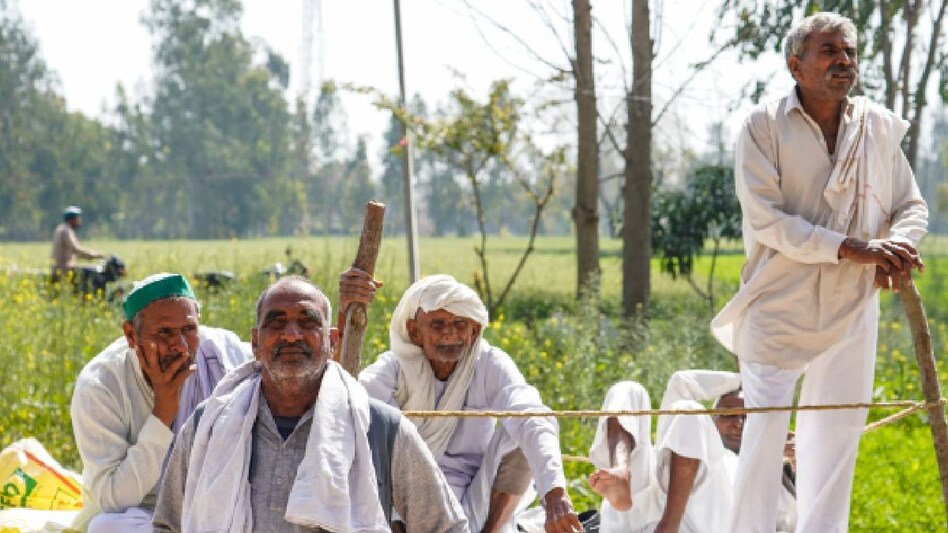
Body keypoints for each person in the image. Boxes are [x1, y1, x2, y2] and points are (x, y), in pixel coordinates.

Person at [709, 12, 928, 532]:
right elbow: (767, 220)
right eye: (829, 51)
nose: (843, 61)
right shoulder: (763, 125)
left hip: (852, 303)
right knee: (762, 441)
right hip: (777, 301)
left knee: (835, 435)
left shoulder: (875, 126)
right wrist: (853, 248)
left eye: (849, 52)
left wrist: (896, 247)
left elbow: (911, 205)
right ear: (795, 65)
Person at [152, 275, 468, 532]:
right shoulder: (209, 425)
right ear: (256, 342)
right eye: (276, 323)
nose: (291, 335)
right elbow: (169, 525)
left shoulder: (381, 429)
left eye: (307, 322)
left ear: (332, 341)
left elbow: (446, 527)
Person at [358, 274, 582, 533]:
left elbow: (531, 414)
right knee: (368, 426)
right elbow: (352, 404)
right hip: (408, 506)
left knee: (526, 426)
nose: (450, 333)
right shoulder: (394, 368)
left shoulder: (489, 363)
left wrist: (554, 492)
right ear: (414, 331)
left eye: (460, 323)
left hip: (477, 499)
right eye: (438, 324)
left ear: (474, 329)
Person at [69, 273, 251, 532]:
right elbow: (112, 498)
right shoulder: (101, 385)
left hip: (217, 506)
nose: (180, 346)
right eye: (164, 332)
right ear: (131, 335)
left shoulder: (223, 354)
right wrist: (162, 413)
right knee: (105, 527)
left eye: (189, 329)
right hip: (145, 512)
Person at [587, 372, 797, 533]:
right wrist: (749, 379)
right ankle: (620, 469)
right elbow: (682, 381)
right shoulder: (692, 436)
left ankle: (669, 526)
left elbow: (791, 520)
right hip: (637, 516)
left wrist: (797, 461)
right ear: (712, 422)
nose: (738, 424)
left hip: (700, 527)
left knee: (689, 410)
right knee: (628, 389)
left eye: (747, 417)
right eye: (729, 415)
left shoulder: (768, 468)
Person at [50, 206, 103, 283]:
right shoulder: (67, 230)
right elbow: (75, 249)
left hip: (58, 269)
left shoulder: (60, 229)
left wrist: (88, 257)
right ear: (72, 219)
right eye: (78, 218)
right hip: (65, 270)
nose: (80, 221)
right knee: (95, 276)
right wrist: (96, 255)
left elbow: (71, 252)